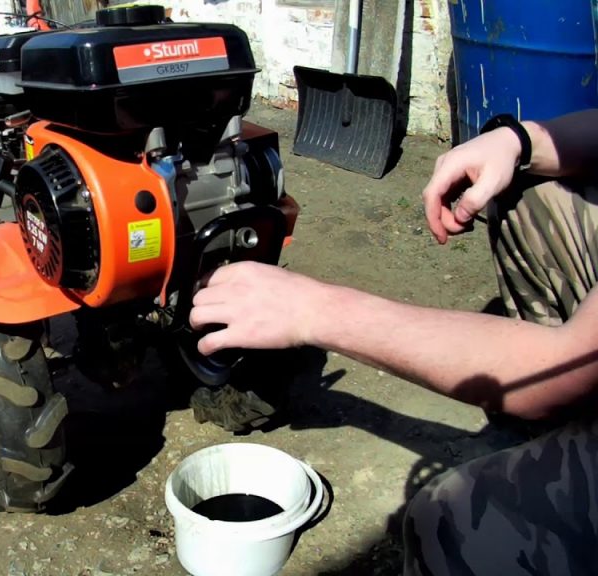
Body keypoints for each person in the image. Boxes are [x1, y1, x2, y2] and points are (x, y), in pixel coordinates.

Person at [190, 108, 598, 575]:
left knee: (447, 525)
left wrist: (311, 310)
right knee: (527, 185)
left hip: (573, 363)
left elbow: (562, 368)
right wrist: (519, 142)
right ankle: (563, 432)